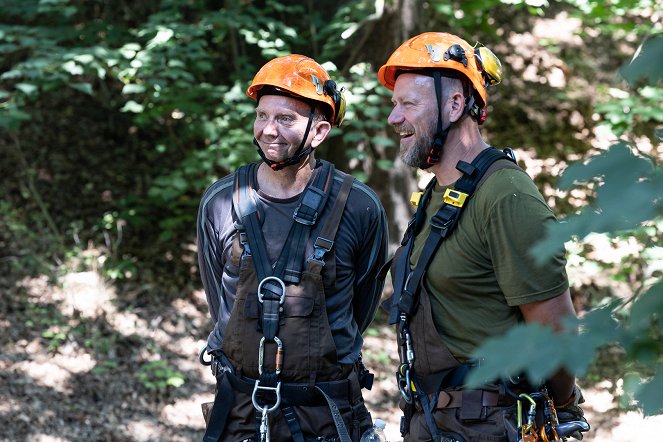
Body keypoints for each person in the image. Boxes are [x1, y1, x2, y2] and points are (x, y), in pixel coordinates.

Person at [377, 32, 588, 441]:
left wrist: (561, 405)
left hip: (491, 424)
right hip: (433, 423)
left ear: (455, 104)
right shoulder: (436, 196)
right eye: (394, 105)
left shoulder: (506, 195)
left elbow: (556, 330)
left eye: (408, 104)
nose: (394, 118)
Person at [197, 54, 388, 442]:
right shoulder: (220, 201)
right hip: (240, 413)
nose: (268, 130)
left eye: (285, 119)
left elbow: (361, 306)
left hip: (327, 413)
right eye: (262, 116)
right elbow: (220, 299)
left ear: (318, 132)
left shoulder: (359, 206)